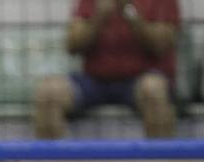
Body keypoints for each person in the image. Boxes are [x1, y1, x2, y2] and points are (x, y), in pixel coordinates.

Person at [33, 0, 179, 139]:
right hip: (95, 80)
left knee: (154, 90)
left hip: (141, 79)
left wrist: (129, 11)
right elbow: (72, 45)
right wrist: (99, 16)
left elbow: (161, 45)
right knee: (48, 92)